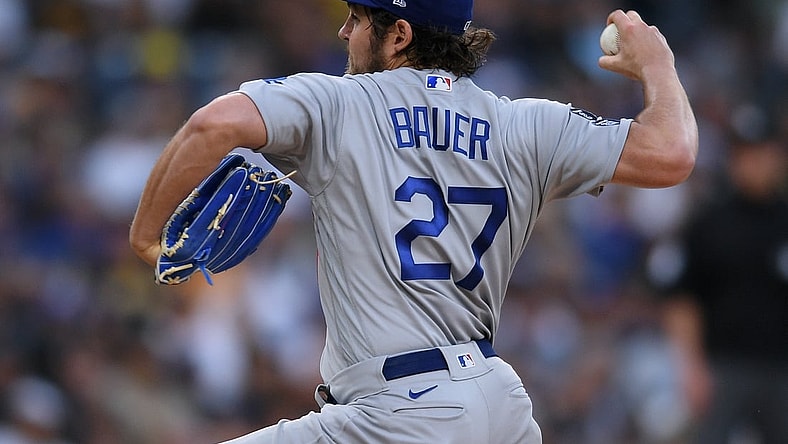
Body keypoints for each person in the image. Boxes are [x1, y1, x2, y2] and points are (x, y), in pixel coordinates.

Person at [129, 1, 697, 442]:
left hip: (398, 412)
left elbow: (212, 126)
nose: (343, 32)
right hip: (499, 405)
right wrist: (660, 66)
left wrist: (145, 235)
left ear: (399, 35)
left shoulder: (340, 104)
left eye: (357, 19)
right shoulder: (524, 124)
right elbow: (671, 152)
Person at [661, 115, 788, 444]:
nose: (755, 162)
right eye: (746, 154)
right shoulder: (709, 223)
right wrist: (691, 367)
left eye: (763, 152)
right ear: (733, 160)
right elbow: (682, 299)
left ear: (778, 156)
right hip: (722, 368)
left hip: (782, 369)